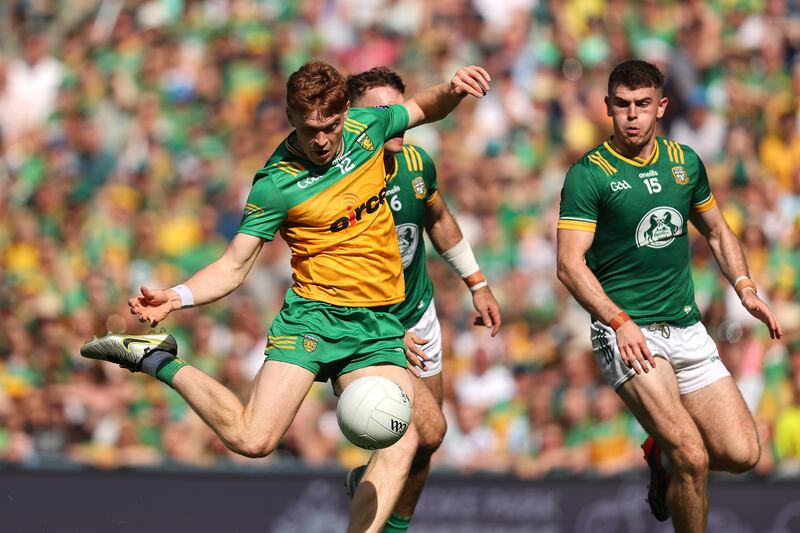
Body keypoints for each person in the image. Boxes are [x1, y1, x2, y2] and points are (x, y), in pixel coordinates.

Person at [80, 60, 492, 533]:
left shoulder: (368, 127)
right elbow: (234, 265)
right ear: (291, 117)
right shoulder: (275, 183)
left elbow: (422, 106)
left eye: (330, 127)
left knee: (405, 438)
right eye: (310, 128)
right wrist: (177, 296)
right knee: (253, 440)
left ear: (344, 114)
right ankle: (156, 358)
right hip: (314, 320)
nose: (322, 140)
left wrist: (453, 89)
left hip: (377, 325)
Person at [556, 59, 782, 532]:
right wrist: (618, 321)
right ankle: (673, 454)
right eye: (622, 104)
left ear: (661, 106)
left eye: (642, 104)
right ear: (607, 107)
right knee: (693, 458)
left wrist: (745, 288)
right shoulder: (588, 174)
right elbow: (569, 264)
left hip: (686, 326)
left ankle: (660, 456)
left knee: (743, 454)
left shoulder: (684, 162)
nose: (632, 115)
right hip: (628, 332)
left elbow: (717, 230)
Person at [344, 67, 502, 532]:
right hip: (367, 324)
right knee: (418, 433)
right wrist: (386, 333)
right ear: (352, 118)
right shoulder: (340, 179)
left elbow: (437, 218)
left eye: (399, 108)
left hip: (418, 314)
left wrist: (477, 283)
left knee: (428, 442)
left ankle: (382, 504)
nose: (395, 119)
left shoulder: (416, 163)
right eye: (380, 111)